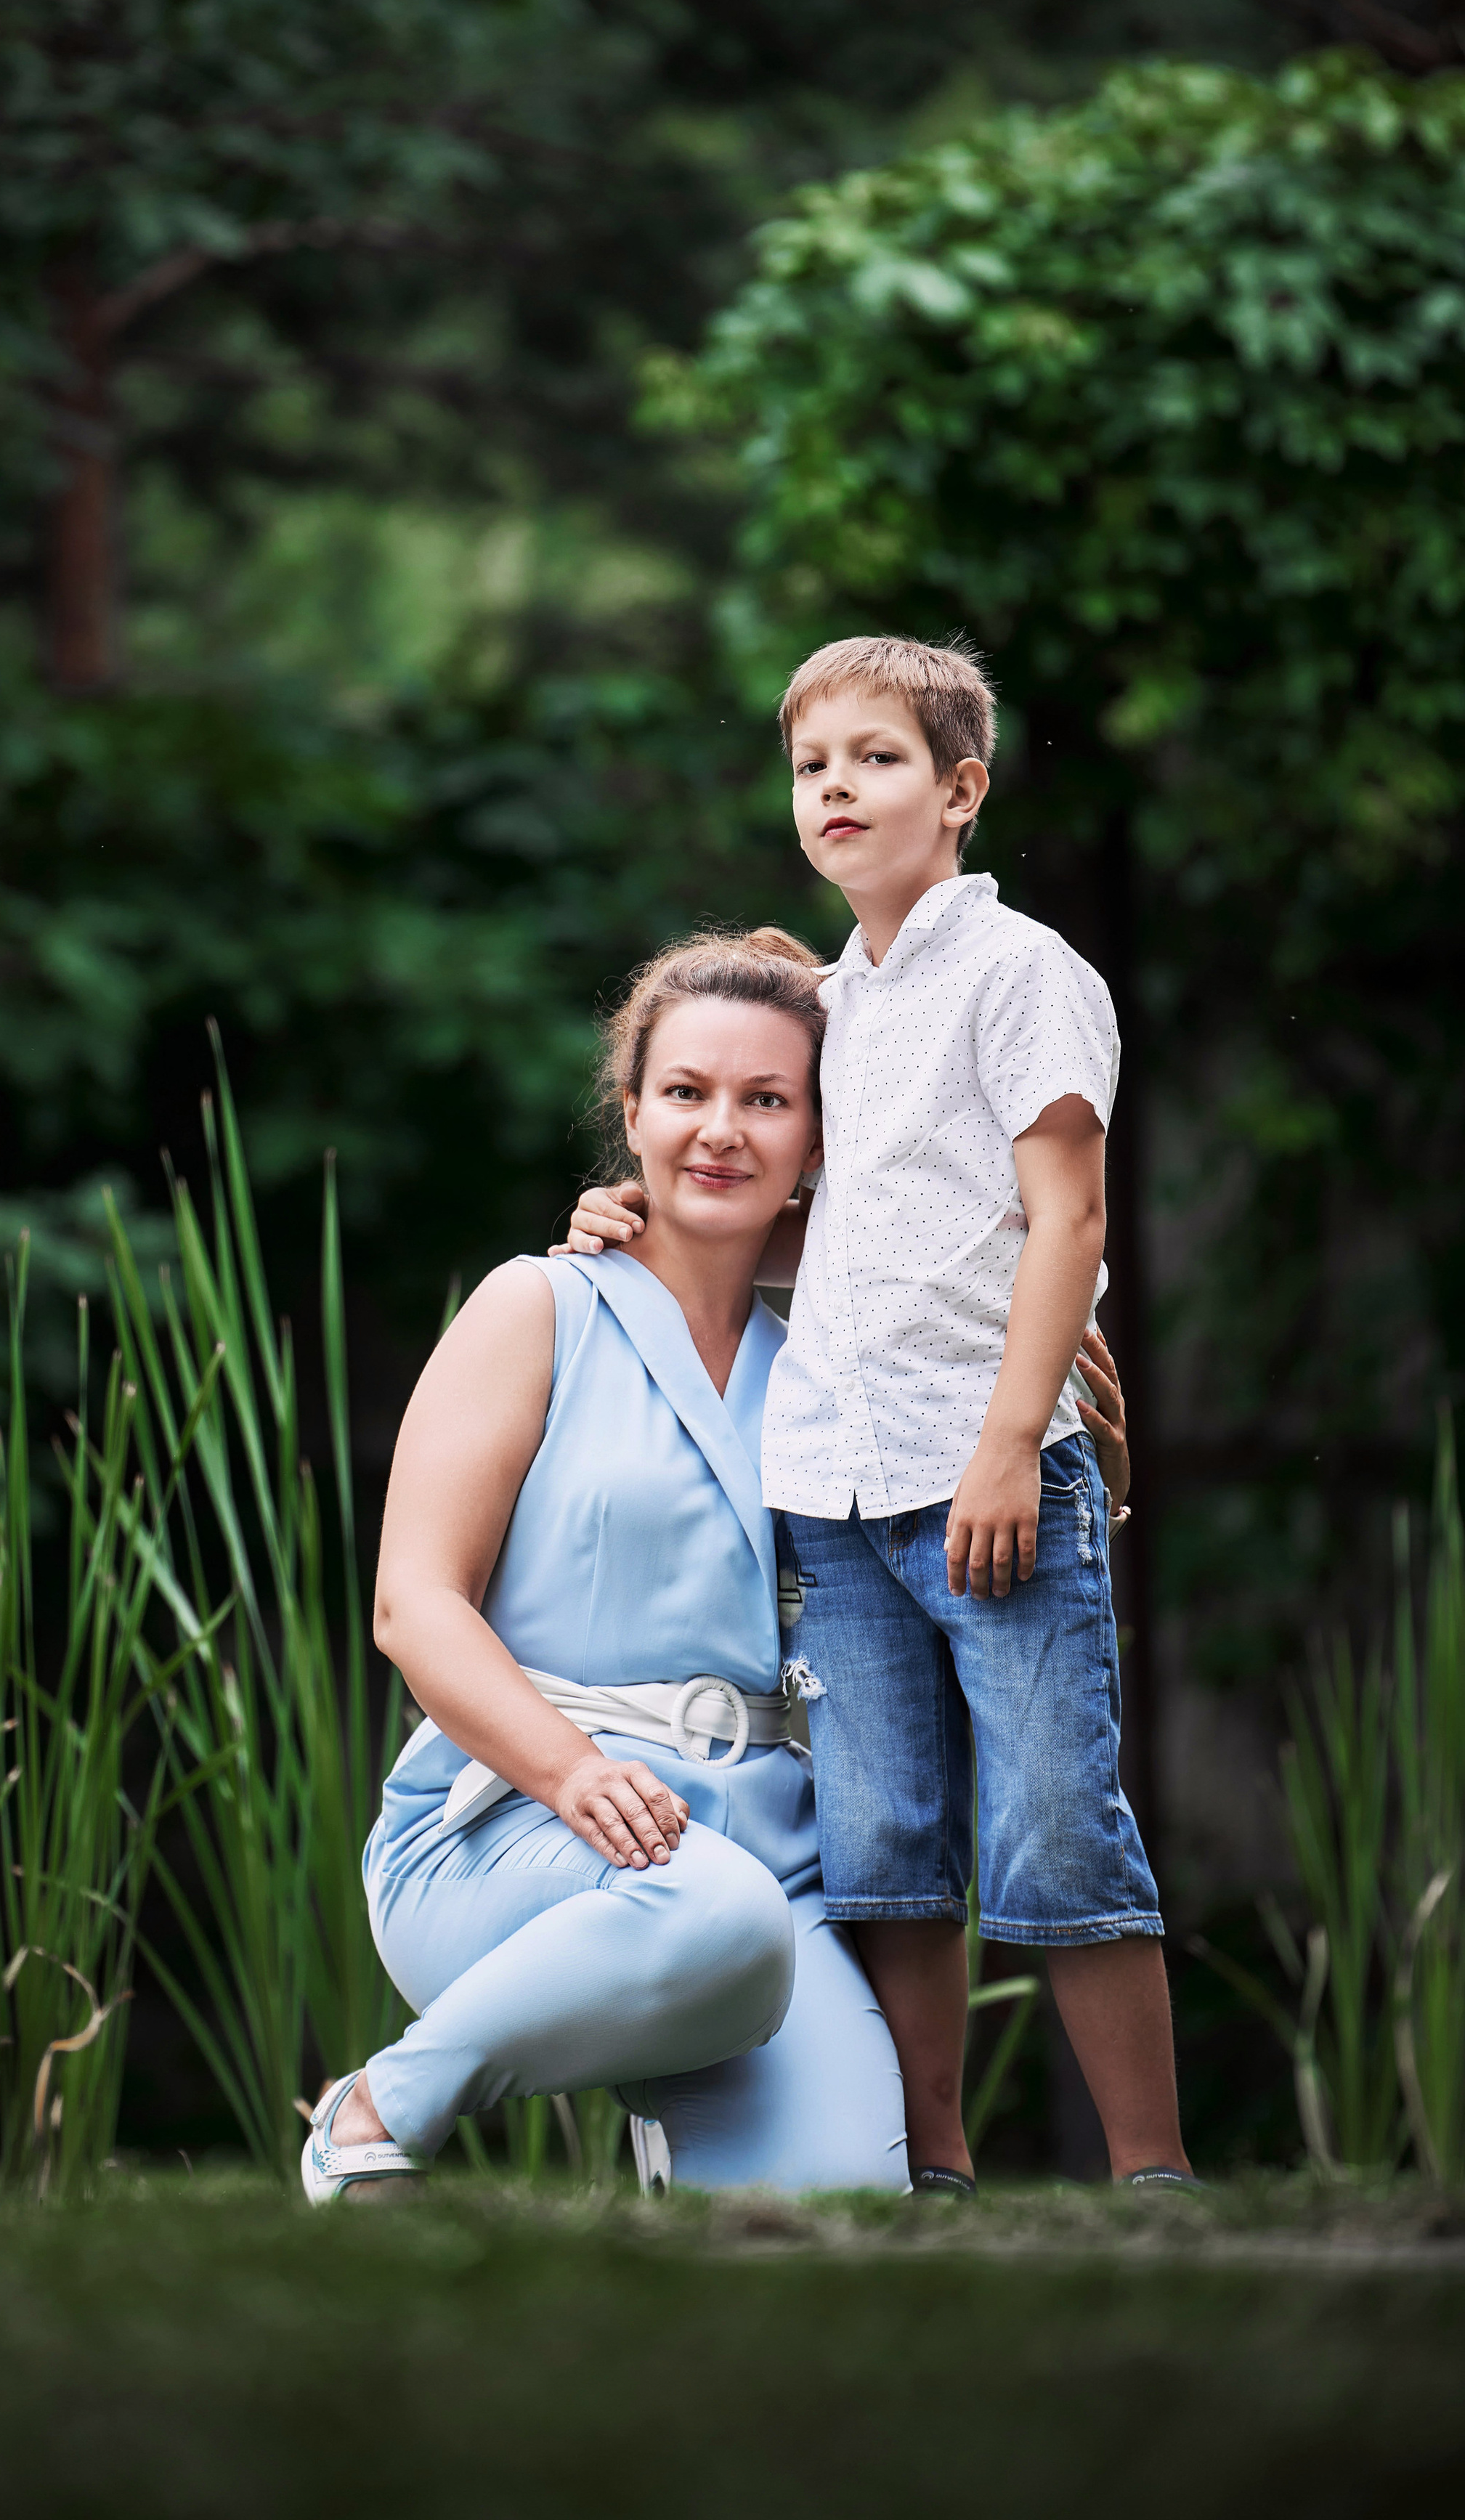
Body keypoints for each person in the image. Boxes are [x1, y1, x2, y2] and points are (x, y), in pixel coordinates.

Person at [564, 635, 1193, 2193]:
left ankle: (1152, 2176)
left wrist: (1010, 1439)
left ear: (960, 790)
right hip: (831, 1500)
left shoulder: (1022, 974)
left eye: (876, 757)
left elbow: (1068, 1220)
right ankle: (934, 2171)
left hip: (989, 1479)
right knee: (881, 1843)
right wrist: (632, 1220)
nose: (834, 787)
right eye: (810, 765)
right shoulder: (832, 1005)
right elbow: (834, 1236)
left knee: (1056, 1824)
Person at [301, 930, 914, 2201]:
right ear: (631, 1114)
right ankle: (374, 2110)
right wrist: (571, 1771)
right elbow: (414, 1605)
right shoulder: (538, 1307)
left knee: (844, 2208)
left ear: (817, 1137)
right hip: (511, 1828)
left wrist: (1092, 1466)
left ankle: (673, 2126)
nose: (721, 1129)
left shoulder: (831, 1367)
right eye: (686, 1091)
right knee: (714, 1913)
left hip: (768, 1867)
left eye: (768, 1099)